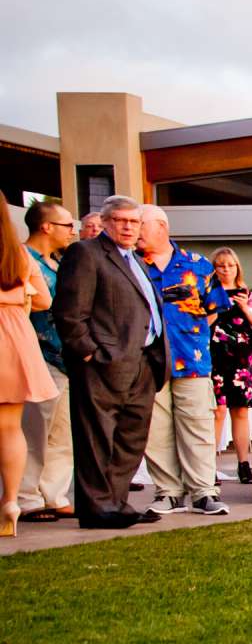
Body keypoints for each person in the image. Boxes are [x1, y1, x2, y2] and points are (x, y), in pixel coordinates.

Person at [51, 196, 166, 528]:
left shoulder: (137, 261)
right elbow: (70, 312)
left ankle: (116, 503)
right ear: (105, 222)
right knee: (97, 437)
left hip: (144, 362)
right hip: (103, 364)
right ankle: (96, 507)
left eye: (134, 221)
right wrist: (89, 353)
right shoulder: (86, 254)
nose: (129, 227)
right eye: (121, 221)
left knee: (130, 438)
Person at [136, 206, 231, 516]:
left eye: (141, 225)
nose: (135, 231)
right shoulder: (133, 265)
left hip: (191, 358)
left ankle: (203, 491)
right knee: (157, 428)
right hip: (148, 359)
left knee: (197, 424)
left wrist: (194, 335)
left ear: (161, 227)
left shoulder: (198, 265)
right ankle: (168, 492)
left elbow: (214, 308)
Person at [0, 209, 62, 536]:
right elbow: (43, 299)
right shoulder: (19, 254)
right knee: (11, 428)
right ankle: (11, 501)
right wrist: (16, 294)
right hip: (15, 337)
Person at [17, 201, 77, 523]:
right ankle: (27, 498)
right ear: (46, 227)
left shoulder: (56, 263)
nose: (73, 231)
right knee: (34, 432)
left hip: (62, 358)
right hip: (36, 357)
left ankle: (54, 495)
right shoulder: (21, 259)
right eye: (67, 225)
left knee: (62, 432)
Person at [208, 249, 252, 484]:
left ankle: (244, 464)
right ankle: (209, 467)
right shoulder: (208, 293)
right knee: (218, 411)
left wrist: (245, 308)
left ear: (237, 267)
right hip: (215, 357)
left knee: (241, 411)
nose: (226, 269)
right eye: (221, 265)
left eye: (231, 265)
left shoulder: (248, 294)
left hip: (242, 359)